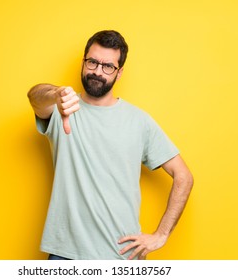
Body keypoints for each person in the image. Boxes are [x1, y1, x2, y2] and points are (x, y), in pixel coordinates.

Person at [27, 30, 193, 260]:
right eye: (92, 62)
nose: (97, 71)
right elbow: (35, 97)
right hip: (66, 255)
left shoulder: (139, 121)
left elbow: (183, 176)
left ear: (119, 72)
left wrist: (160, 235)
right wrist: (57, 94)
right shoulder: (61, 108)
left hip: (122, 257)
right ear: (84, 62)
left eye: (108, 66)